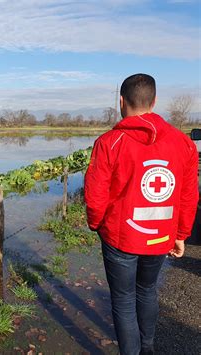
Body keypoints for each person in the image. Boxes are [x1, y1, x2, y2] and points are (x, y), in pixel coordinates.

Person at [84, 73, 199, 355]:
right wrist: (181, 234)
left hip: (120, 238)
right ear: (155, 101)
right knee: (147, 291)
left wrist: (97, 224)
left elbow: (95, 195)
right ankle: (147, 348)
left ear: (121, 102)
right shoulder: (183, 143)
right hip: (160, 237)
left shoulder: (109, 142)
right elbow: (188, 195)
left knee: (123, 300)